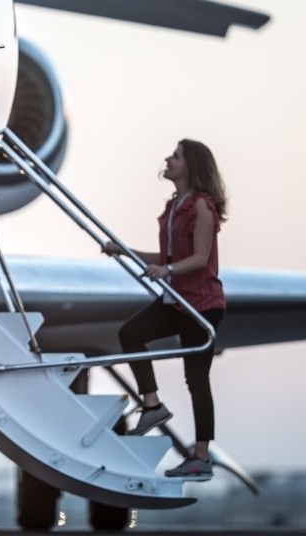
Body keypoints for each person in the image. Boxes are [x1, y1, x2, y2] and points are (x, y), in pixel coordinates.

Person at [102, 139, 228, 481]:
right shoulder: (175, 206)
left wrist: (167, 272)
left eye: (176, 156)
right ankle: (153, 406)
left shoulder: (202, 206)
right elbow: (168, 258)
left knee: (196, 380)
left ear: (191, 166)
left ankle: (201, 457)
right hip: (176, 300)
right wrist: (126, 251)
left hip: (200, 304)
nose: (168, 160)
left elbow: (199, 259)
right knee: (130, 334)